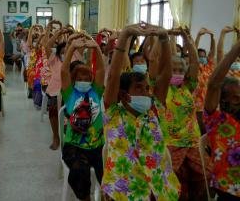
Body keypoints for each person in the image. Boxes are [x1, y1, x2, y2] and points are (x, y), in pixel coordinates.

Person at [102, 23, 180, 201]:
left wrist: (163, 38)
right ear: (123, 95)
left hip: (159, 186)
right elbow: (113, 76)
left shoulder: (154, 111)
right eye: (139, 88)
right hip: (124, 190)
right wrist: (125, 35)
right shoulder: (114, 114)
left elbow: (165, 75)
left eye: (147, 88)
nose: (146, 93)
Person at [157, 27, 211, 200]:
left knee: (205, 176)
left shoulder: (188, 87)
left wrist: (187, 39)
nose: (178, 72)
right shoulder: (161, 89)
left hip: (192, 141)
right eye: (174, 69)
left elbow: (195, 63)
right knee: (175, 183)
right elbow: (159, 63)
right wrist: (165, 40)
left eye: (181, 69)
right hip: (170, 143)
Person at [60, 34, 105, 201]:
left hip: (98, 145)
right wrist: (72, 47)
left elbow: (101, 70)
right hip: (75, 146)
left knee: (111, 170)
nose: (84, 81)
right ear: (74, 80)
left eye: (87, 78)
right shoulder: (70, 93)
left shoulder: (96, 92)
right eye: (80, 78)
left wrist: (96, 48)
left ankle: (108, 195)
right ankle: (86, 198)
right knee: (80, 171)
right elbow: (64, 70)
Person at [204, 39, 240, 201]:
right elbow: (213, 84)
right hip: (229, 187)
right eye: (233, 97)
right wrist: (237, 47)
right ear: (222, 100)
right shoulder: (216, 120)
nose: (238, 100)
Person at [44, 26, 68, 150]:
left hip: (68, 92)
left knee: (69, 116)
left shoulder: (73, 59)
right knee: (53, 113)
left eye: (67, 52)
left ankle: (67, 136)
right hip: (54, 90)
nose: (65, 54)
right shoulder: (54, 59)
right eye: (62, 52)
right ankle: (56, 136)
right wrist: (58, 33)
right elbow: (47, 46)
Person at [193, 27, 216, 131]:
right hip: (196, 98)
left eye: (203, 56)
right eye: (200, 56)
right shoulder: (195, 66)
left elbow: (212, 51)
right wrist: (198, 36)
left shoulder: (209, 66)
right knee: (197, 122)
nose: (202, 58)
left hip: (206, 98)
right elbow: (193, 48)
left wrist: (212, 37)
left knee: (205, 123)